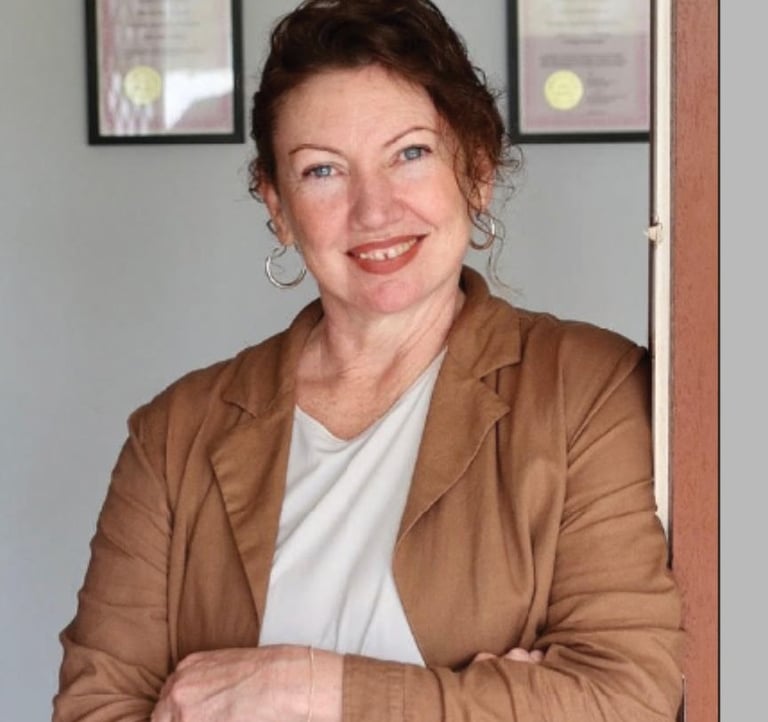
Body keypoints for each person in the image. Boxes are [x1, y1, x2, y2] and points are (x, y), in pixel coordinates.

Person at [53, 1, 684, 720]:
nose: (374, 210)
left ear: (475, 169)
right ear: (279, 205)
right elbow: (95, 709)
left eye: (410, 153)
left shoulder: (588, 388)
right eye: (323, 171)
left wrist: (308, 689)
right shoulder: (173, 435)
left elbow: (624, 698)